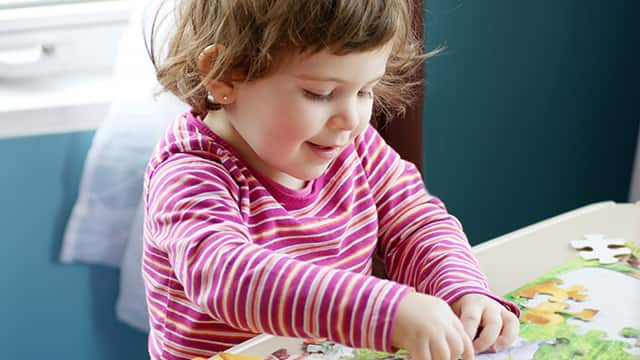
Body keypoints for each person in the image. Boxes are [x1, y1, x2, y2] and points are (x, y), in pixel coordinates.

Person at [142, 1, 520, 359]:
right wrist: (389, 311)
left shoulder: (352, 146)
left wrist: (459, 288)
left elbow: (414, 220)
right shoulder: (189, 174)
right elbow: (229, 276)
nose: (351, 119)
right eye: (320, 94)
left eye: (364, 90)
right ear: (224, 75)